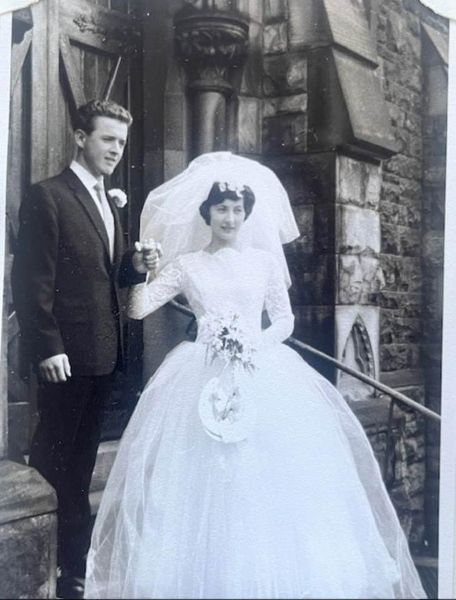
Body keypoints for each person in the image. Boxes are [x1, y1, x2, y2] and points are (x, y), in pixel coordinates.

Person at [84, 152, 426, 599]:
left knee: (268, 480)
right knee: (204, 480)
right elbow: (138, 309)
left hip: (259, 370)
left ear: (247, 214)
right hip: (200, 376)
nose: (230, 218)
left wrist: (254, 344)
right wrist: (140, 274)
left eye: (237, 209)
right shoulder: (187, 265)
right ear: (207, 213)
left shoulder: (263, 263)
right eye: (221, 209)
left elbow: (284, 320)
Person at [11, 99, 157, 600]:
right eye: (107, 139)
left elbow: (106, 276)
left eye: (121, 142)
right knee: (53, 463)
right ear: (80, 138)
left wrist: (134, 265)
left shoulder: (106, 200)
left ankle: (72, 568)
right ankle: (46, 565)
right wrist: (47, 346)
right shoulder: (48, 196)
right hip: (65, 359)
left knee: (80, 466)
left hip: (101, 356)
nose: (116, 149)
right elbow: (32, 282)